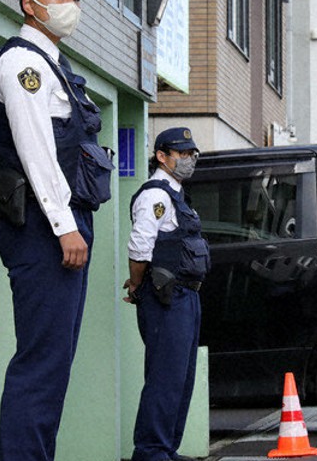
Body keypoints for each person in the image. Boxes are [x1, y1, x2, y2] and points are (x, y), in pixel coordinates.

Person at [0, 0, 111, 460]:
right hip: (45, 227)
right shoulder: (23, 64)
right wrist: (64, 225)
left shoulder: (54, 65)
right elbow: (36, 149)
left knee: (54, 363)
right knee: (41, 363)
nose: (69, 6)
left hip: (64, 223)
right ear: (30, 3)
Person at [123, 127, 210, 461]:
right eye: (182, 153)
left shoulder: (176, 194)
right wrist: (136, 285)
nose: (189, 159)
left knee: (181, 378)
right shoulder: (155, 195)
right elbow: (140, 246)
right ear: (162, 156)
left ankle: (165, 448)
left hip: (186, 296)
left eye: (191, 154)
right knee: (164, 377)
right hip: (166, 297)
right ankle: (150, 451)